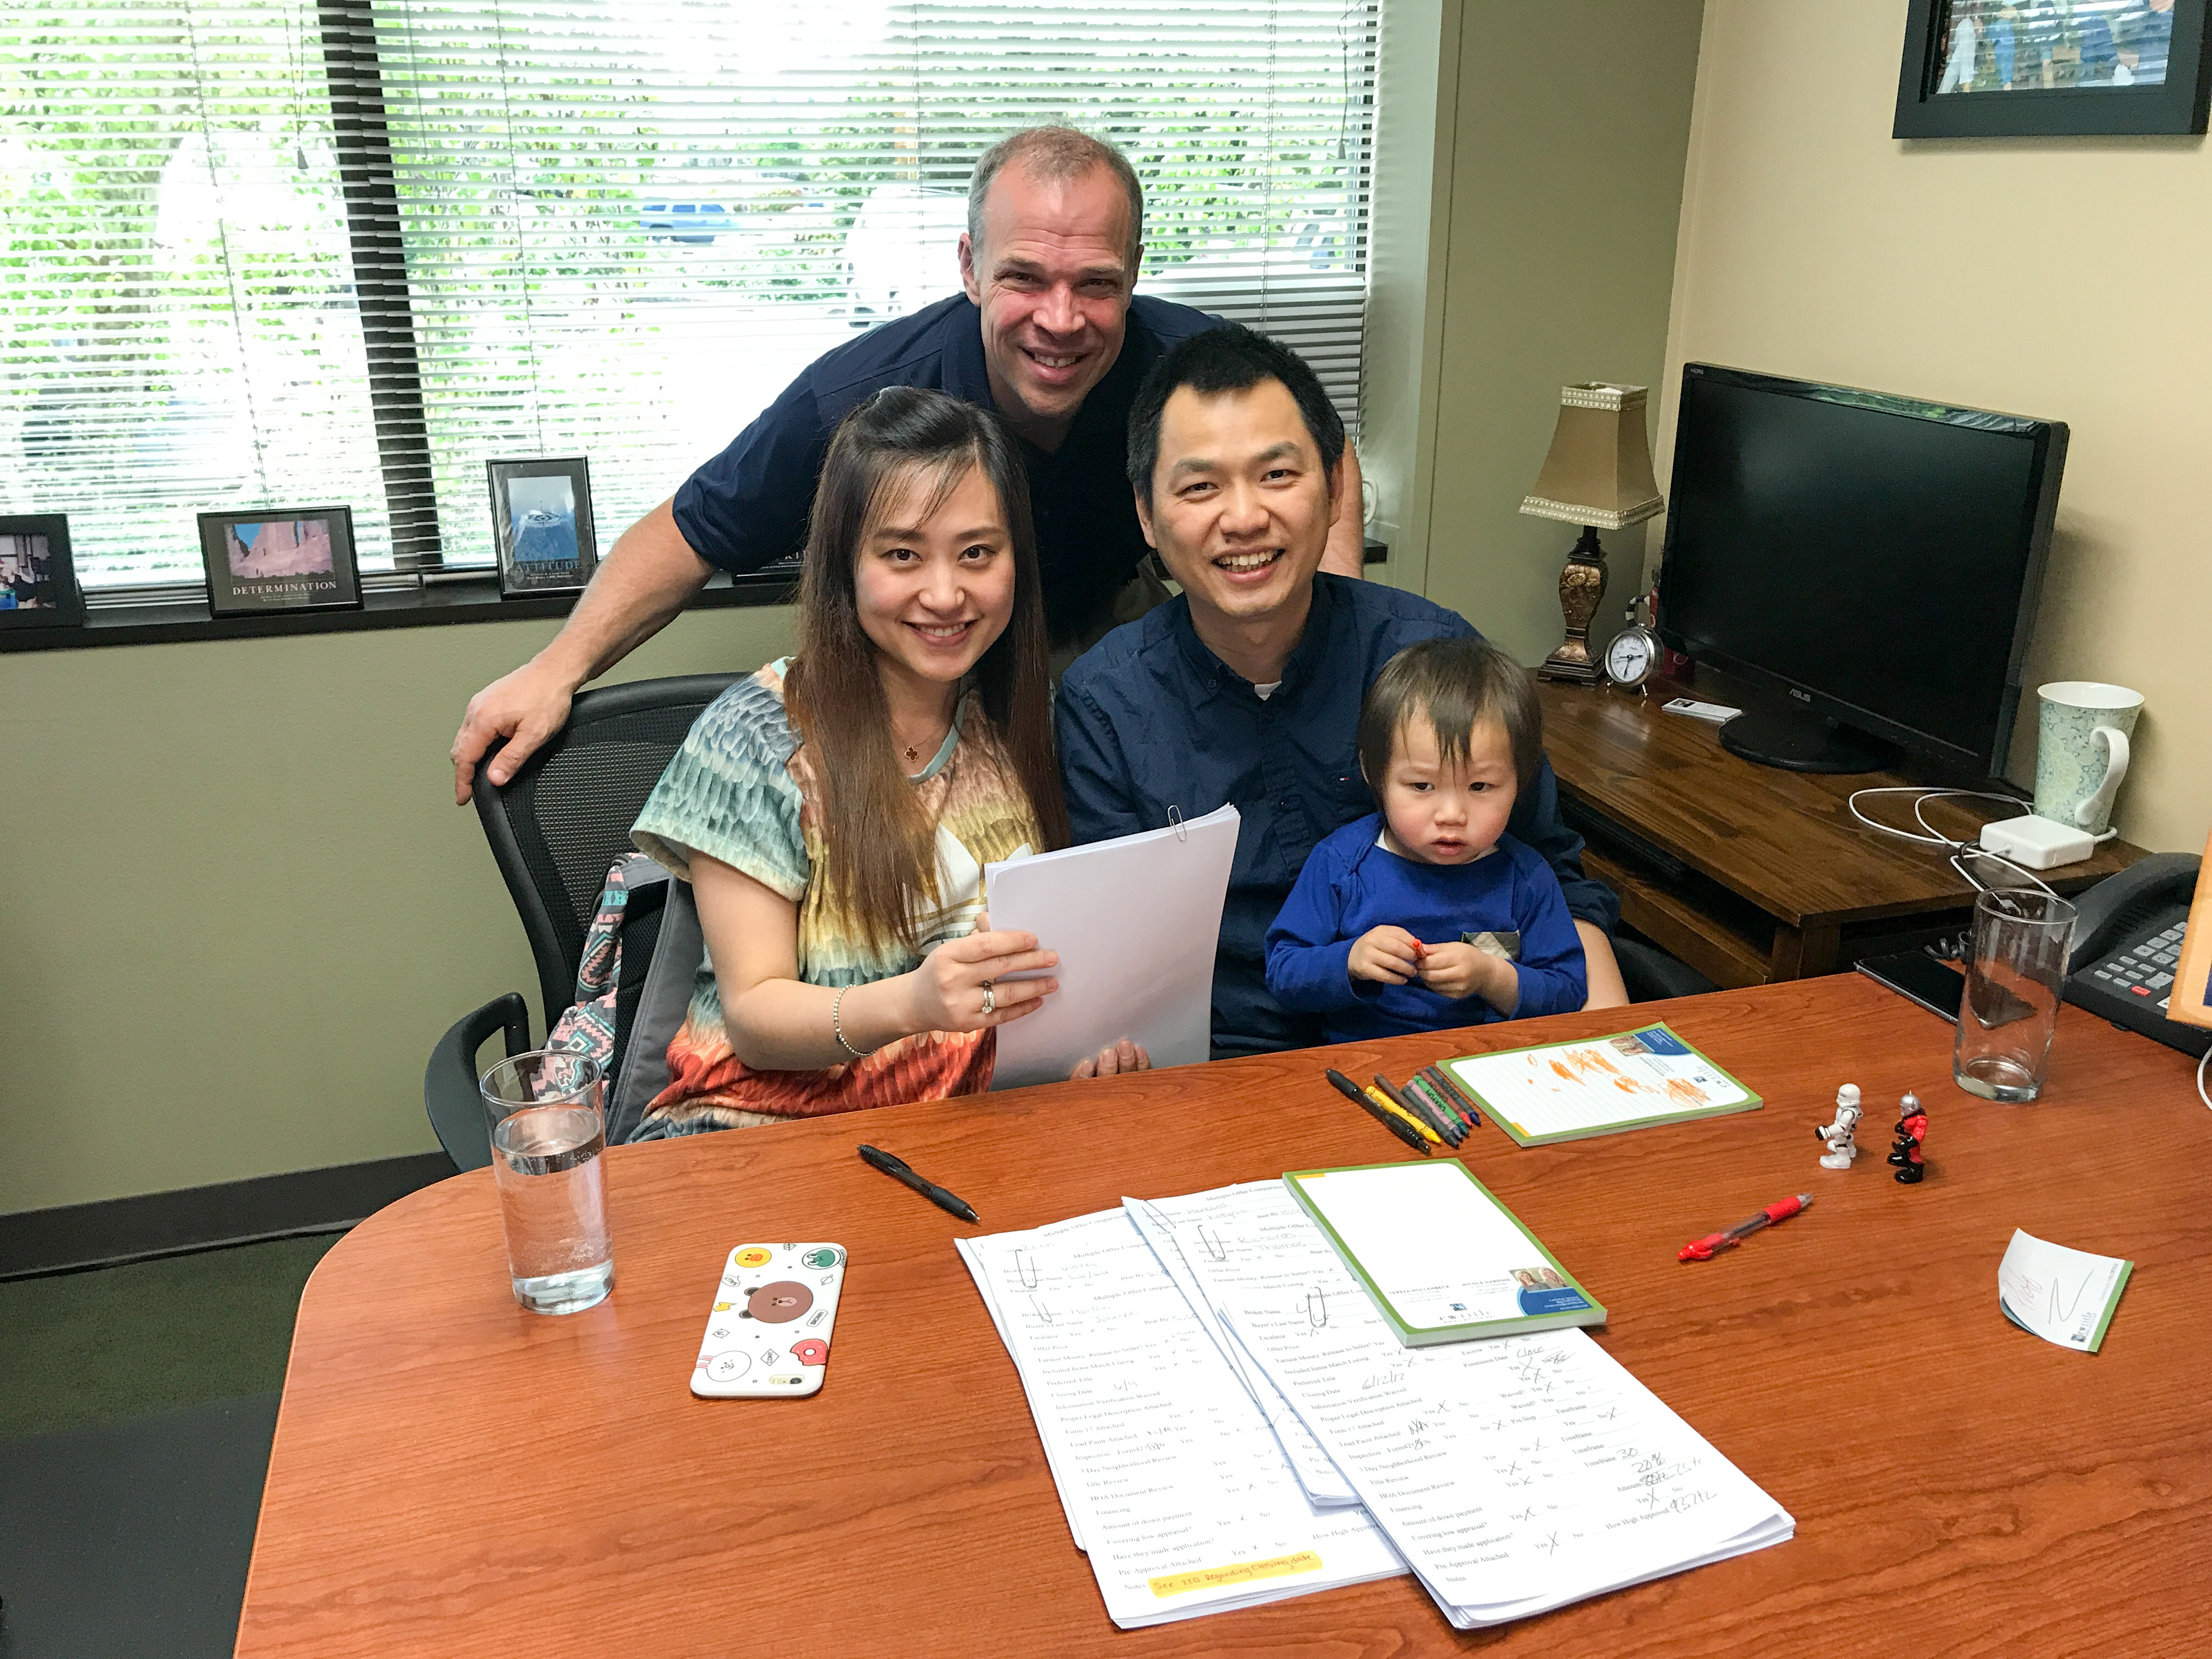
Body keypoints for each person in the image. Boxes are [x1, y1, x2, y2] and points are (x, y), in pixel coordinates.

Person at [449, 125, 1368, 804]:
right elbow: (697, 528)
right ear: (969, 267)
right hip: (929, 654)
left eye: (1095, 283)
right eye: (1024, 278)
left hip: (1103, 622)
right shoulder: (858, 396)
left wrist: (1331, 627)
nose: (1060, 319)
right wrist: (558, 666)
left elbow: (1325, 452)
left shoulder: (1192, 369)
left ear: (1133, 272)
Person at [1057, 324, 1627, 1059]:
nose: (1243, 518)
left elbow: (1553, 876)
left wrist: (1608, 1061)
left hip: (1441, 1045)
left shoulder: (1432, 656)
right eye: (1200, 487)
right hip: (1217, 1063)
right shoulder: (1106, 702)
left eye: (1276, 475)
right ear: (1147, 514)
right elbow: (1111, 952)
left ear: (1333, 488)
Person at [628, 387, 1146, 1136]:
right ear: (845, 563)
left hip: (963, 1130)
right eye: (903, 555)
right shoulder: (756, 734)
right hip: (762, 1132)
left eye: (977, 553)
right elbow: (755, 1018)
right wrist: (914, 1003)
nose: (946, 594)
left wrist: (1085, 1051)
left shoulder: (1026, 717)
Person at [1264, 636, 1587, 1045]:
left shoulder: (1526, 877)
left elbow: (1567, 990)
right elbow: (1283, 971)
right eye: (1422, 786)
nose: (1451, 814)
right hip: (1364, 1060)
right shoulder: (1342, 863)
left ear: (1520, 782)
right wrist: (1350, 961)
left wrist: (1491, 977)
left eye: (1480, 786)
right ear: (1375, 774)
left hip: (1486, 1064)